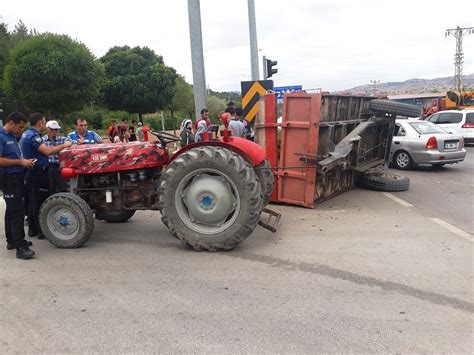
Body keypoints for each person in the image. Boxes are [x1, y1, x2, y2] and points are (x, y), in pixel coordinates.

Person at [21, 113, 72, 239]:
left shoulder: (26, 134)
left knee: (34, 200)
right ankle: (40, 230)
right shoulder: (35, 136)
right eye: (44, 122)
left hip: (34, 171)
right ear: (40, 124)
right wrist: (64, 146)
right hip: (38, 172)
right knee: (39, 201)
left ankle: (33, 229)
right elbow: (48, 151)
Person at [0, 112, 36, 259]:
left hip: (16, 176)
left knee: (11, 209)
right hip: (8, 178)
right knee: (18, 211)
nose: (21, 130)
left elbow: (14, 155)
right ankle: (21, 247)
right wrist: (20, 162)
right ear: (12, 123)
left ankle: (12, 241)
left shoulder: (11, 136)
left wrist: (24, 161)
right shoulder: (1, 136)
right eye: (20, 127)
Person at [42, 120, 68, 194]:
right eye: (52, 129)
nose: (55, 131)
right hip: (47, 167)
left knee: (63, 188)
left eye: (56, 129)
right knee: (50, 189)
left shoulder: (62, 139)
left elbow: (71, 142)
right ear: (48, 129)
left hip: (59, 167)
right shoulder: (43, 140)